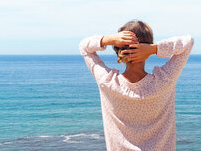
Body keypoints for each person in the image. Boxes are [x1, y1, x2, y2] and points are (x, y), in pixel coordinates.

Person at [79, 20, 194, 151]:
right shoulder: (164, 81)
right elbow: (188, 42)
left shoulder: (108, 82)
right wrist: (154, 49)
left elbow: (84, 47)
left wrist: (109, 39)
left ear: (117, 49)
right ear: (146, 48)